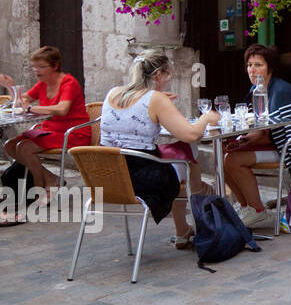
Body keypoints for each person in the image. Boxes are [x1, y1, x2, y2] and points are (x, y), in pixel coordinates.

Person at [99, 50, 219, 247]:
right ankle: (202, 192)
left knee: (179, 156)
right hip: (143, 180)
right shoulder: (155, 99)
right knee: (188, 150)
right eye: (167, 74)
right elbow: (191, 134)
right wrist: (206, 118)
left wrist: (156, 101)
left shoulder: (113, 92)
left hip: (108, 177)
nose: (168, 79)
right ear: (157, 75)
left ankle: (183, 228)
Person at [222, 44, 291, 229]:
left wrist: (246, 142)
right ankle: (246, 207)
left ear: (270, 67)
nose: (252, 69)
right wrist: (243, 141)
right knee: (224, 157)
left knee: (233, 161)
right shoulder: (255, 90)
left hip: (289, 148)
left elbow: (280, 131)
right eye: (249, 65)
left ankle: (257, 210)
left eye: (258, 64)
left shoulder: (281, 90)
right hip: (273, 143)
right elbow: (261, 129)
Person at [1, 46, 91, 193]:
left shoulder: (69, 83)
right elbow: (21, 100)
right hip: (49, 130)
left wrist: (30, 108)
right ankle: (51, 179)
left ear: (55, 66)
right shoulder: (43, 83)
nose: (37, 70)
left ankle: (39, 185)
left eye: (41, 67)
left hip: (73, 133)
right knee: (10, 145)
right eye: (35, 67)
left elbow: (62, 109)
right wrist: (11, 88)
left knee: (24, 148)